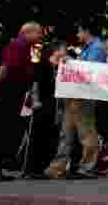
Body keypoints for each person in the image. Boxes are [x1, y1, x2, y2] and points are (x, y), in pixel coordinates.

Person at [0, 22, 42, 182]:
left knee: (4, 132)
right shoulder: (18, 45)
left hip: (13, 92)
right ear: (27, 32)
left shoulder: (23, 47)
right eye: (38, 33)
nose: (40, 36)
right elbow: (5, 68)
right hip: (9, 92)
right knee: (1, 131)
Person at [45, 23, 106, 179]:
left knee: (86, 133)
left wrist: (70, 61)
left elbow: (89, 71)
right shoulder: (89, 48)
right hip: (74, 96)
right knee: (67, 134)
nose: (78, 35)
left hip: (83, 96)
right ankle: (57, 168)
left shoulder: (97, 48)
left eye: (79, 31)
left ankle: (87, 168)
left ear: (87, 31)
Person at [24, 41, 68, 179]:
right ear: (56, 51)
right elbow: (35, 84)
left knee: (49, 137)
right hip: (42, 106)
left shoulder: (59, 67)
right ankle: (32, 169)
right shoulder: (43, 65)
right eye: (63, 49)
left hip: (54, 107)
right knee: (38, 136)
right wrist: (35, 100)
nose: (65, 51)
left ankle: (42, 168)